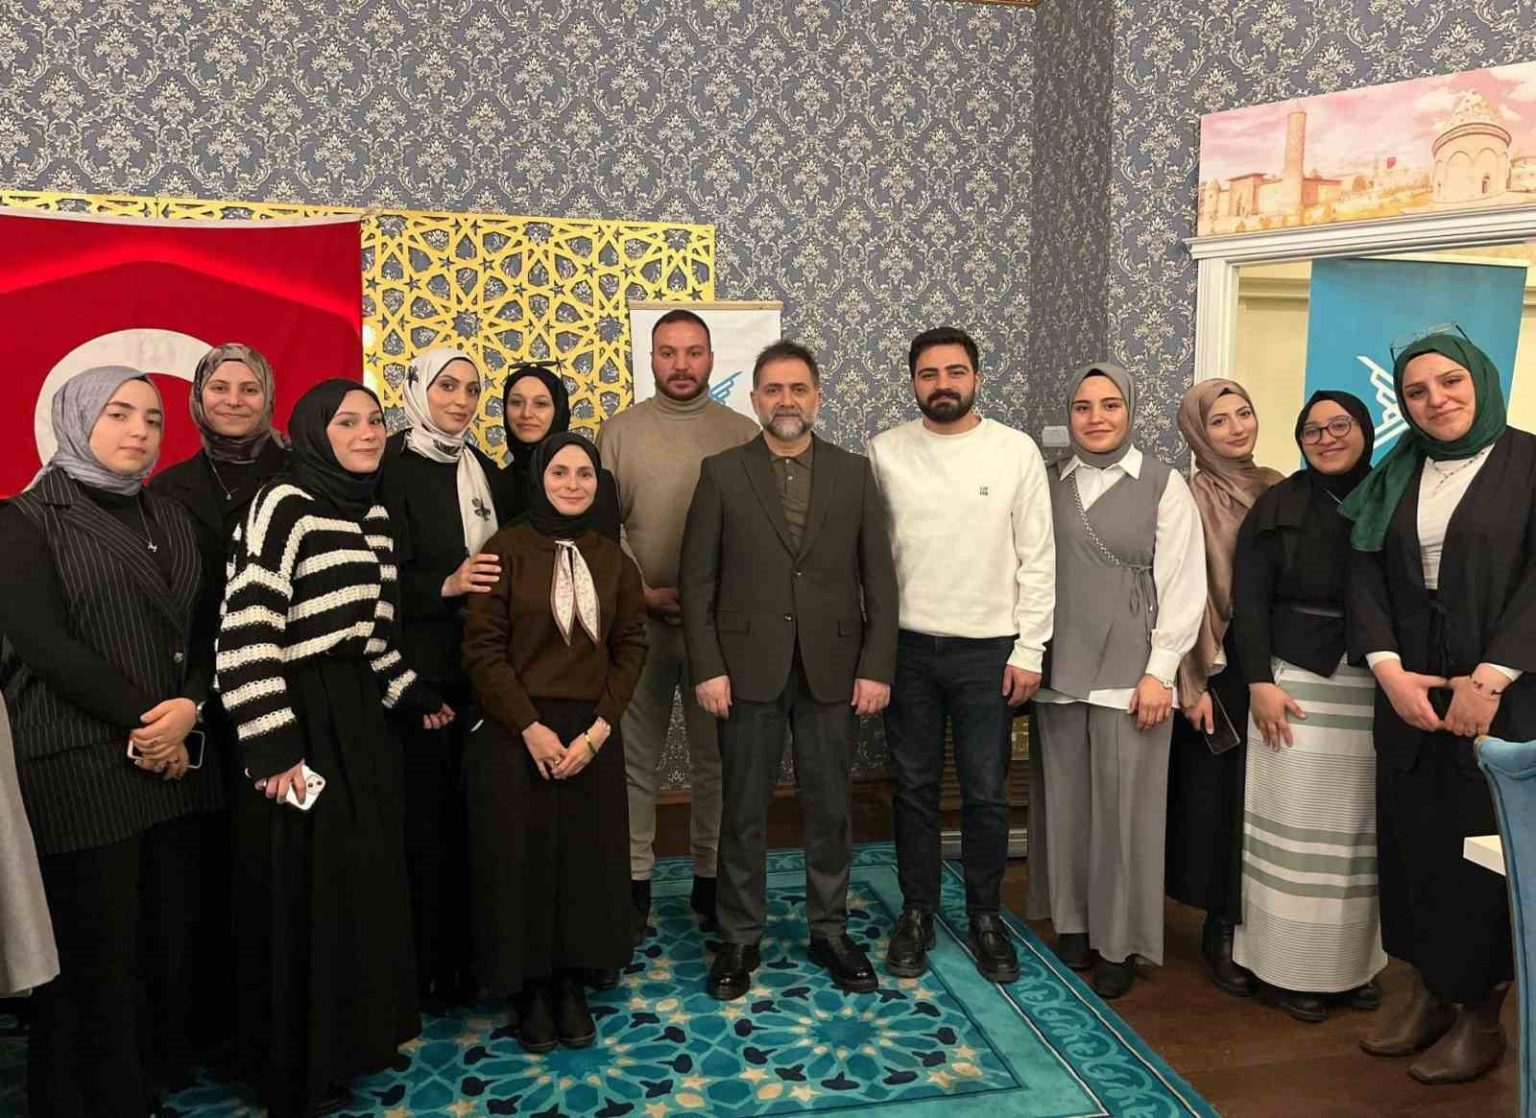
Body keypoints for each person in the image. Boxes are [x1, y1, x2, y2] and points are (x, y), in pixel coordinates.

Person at [217, 379, 453, 1117]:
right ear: (315, 433)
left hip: (357, 718)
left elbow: (373, 636)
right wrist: (271, 745)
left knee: (358, 877)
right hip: (295, 711)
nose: (366, 432)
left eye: (374, 421)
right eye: (346, 422)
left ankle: (351, 1040)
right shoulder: (281, 503)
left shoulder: (372, 513)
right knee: (304, 890)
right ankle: (297, 1066)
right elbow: (245, 629)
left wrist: (414, 695)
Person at [0, 366, 221, 1116]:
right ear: (76, 418)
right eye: (119, 413)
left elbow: (205, 628)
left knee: (160, 935)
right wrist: (151, 721)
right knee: (95, 949)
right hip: (79, 761)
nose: (139, 431)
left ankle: (146, 1079)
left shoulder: (171, 514)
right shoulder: (26, 519)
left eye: (153, 418)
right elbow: (44, 645)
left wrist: (190, 707)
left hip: (173, 760)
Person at [680, 340, 898, 1000]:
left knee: (830, 808)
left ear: (818, 397)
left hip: (834, 668)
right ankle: (738, 937)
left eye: (798, 388)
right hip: (746, 670)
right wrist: (708, 667)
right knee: (743, 810)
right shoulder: (722, 473)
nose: (786, 400)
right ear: (754, 399)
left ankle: (829, 930)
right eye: (773, 389)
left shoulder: (853, 474)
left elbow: (879, 580)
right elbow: (697, 583)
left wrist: (876, 666)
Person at [1344, 331, 1533, 1085]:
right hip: (1408, 689)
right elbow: (1364, 574)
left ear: (1481, 379)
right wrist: (1389, 671)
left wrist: (1492, 679)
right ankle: (1427, 992)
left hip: (1504, 694)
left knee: (1479, 854)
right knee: (1412, 841)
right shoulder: (1399, 468)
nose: (1436, 400)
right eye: (1416, 391)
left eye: (1450, 381)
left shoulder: (1529, 462)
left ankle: (1480, 1016)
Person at [867, 327, 1054, 983]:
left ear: (976, 376)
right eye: (928, 374)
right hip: (907, 649)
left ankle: (984, 916)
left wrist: (1030, 648)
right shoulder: (885, 452)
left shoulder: (1015, 450)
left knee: (985, 792)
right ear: (912, 382)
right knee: (913, 790)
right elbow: (869, 560)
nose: (942, 384)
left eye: (954, 371)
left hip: (989, 652)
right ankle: (917, 912)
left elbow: (1038, 557)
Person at [461, 433, 647, 1053]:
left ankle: (572, 981)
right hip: (518, 730)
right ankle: (531, 988)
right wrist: (529, 727)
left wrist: (599, 730)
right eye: (560, 472)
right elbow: (483, 650)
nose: (573, 484)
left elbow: (631, 647)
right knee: (524, 861)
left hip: (591, 731)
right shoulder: (505, 549)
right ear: (539, 479)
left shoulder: (614, 560)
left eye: (585, 474)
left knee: (584, 861)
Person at [1026, 362, 1206, 999]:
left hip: (1132, 674)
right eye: (1083, 407)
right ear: (1069, 415)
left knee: (1126, 812)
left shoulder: (1163, 484)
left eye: (1110, 405)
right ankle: (1074, 924)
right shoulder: (1047, 481)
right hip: (1059, 665)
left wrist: (1161, 673)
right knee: (1065, 804)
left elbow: (1184, 583)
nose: (1096, 418)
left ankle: (1118, 941)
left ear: (1130, 410)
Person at [598, 308, 760, 941]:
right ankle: (633, 883)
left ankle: (709, 880)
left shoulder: (742, 433)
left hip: (714, 631)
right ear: (651, 359)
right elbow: (603, 528)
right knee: (635, 760)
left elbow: (752, 534)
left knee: (713, 760)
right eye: (668, 352)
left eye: (694, 352)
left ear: (712, 359)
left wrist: (706, 600)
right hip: (638, 624)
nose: (682, 364)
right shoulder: (618, 432)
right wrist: (640, 592)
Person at [150, 341, 289, 1053]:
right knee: (207, 859)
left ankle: (272, 1017)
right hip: (200, 694)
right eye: (220, 388)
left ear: (269, 398)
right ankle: (207, 1023)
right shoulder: (168, 487)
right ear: (197, 399)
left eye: (249, 389)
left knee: (275, 855)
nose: (234, 400)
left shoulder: (297, 474)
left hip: (282, 690)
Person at [1231, 391, 1385, 1022]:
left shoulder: (1392, 497)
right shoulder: (1277, 505)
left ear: (1365, 431)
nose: (1326, 438)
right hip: (1291, 682)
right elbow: (1247, 599)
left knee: (1354, 838)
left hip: (1372, 683)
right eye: (1312, 430)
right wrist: (1258, 681)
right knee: (1292, 832)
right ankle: (1287, 969)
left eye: (1339, 426)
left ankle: (1350, 968)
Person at [380, 347, 516, 1012]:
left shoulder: (478, 466)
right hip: (415, 677)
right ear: (417, 390)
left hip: (477, 670)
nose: (460, 401)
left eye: (471, 389)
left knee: (474, 820)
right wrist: (446, 582)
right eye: (446, 387)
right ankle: (425, 966)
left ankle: (471, 959)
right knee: (423, 826)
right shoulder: (388, 466)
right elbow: (370, 577)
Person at [1166, 378, 1282, 998]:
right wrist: (1192, 681)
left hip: (1275, 663)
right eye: (1219, 420)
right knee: (1218, 798)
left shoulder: (1280, 488)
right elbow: (1180, 593)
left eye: (1244, 413)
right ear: (1196, 431)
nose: (1236, 428)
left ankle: (1272, 928)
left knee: (1270, 798)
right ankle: (1219, 926)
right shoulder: (1188, 497)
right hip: (1213, 664)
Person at [503, 360, 619, 539]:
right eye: (516, 402)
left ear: (559, 410)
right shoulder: (496, 482)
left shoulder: (596, 484)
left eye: (540, 404)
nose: (526, 413)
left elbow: (606, 552)